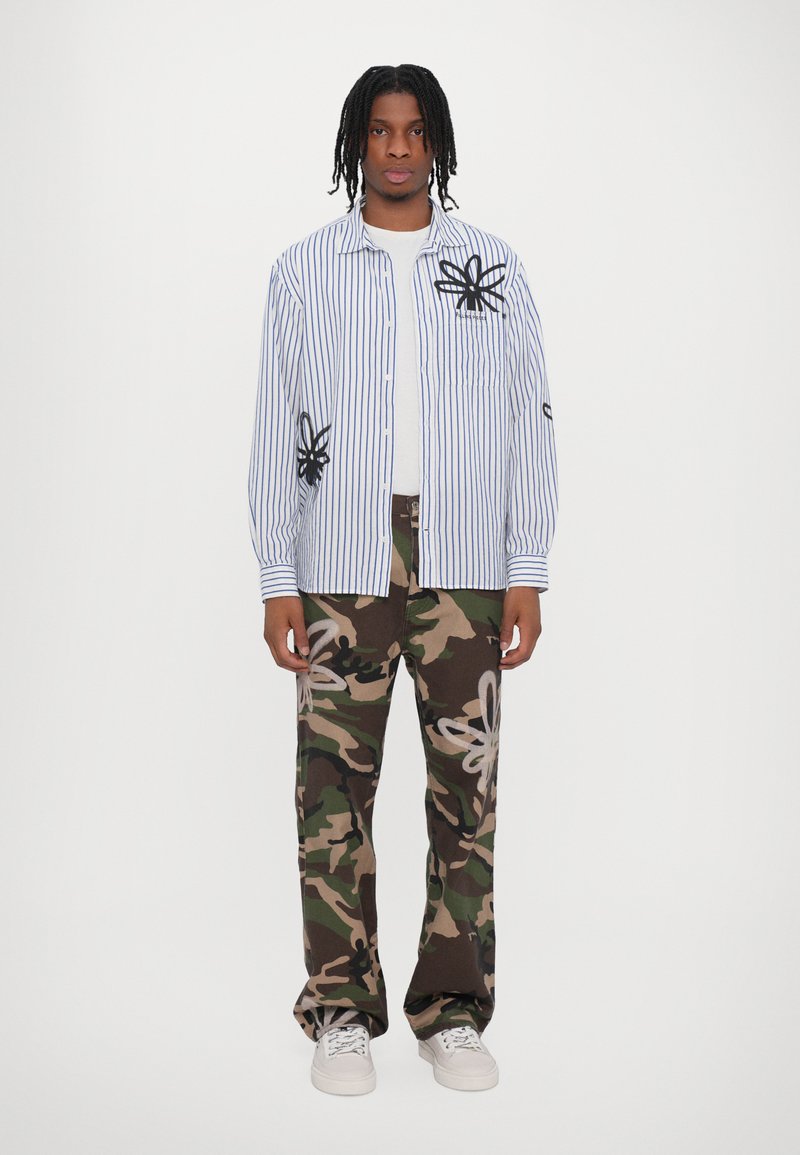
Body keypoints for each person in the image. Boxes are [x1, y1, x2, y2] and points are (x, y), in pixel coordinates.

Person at [248, 63, 559, 1096]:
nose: (396, 148)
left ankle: (452, 1012)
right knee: (331, 796)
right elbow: (275, 424)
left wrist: (525, 567)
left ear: (437, 144)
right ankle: (340, 1011)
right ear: (356, 142)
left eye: (414, 131)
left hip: (466, 559)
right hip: (339, 559)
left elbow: (528, 417)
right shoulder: (303, 272)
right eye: (379, 130)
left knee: (464, 793)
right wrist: (277, 575)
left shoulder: (493, 268)